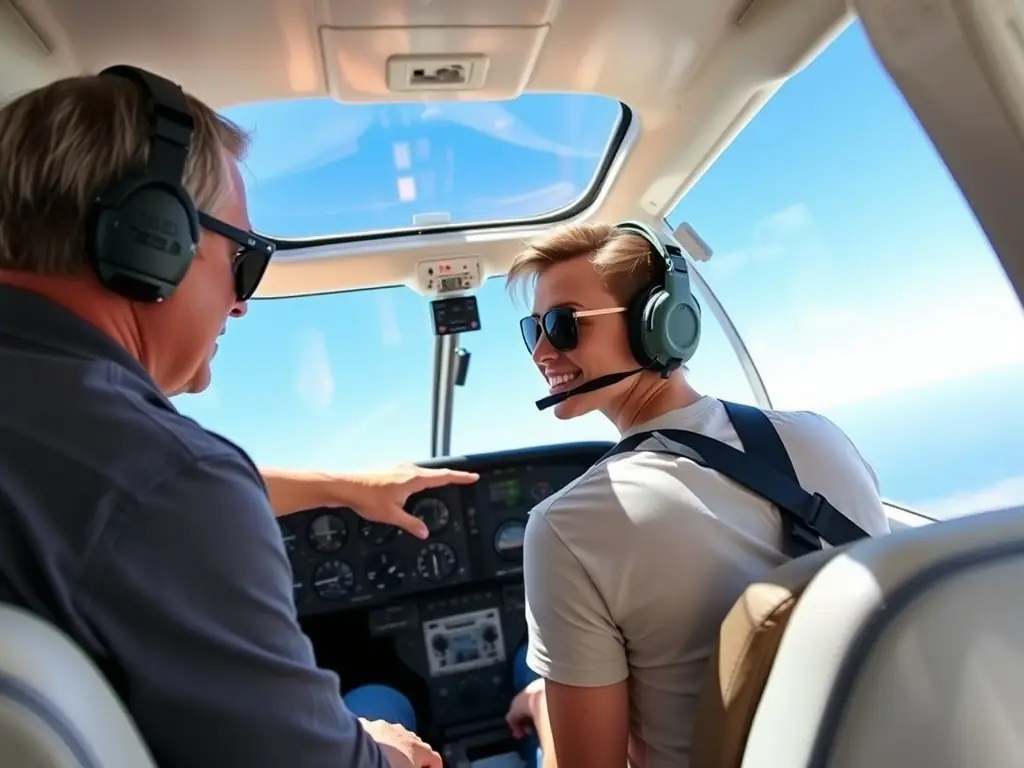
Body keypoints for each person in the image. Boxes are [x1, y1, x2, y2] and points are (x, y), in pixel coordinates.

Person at [0, 66, 469, 768]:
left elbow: (103, 498)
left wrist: (340, 488)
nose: (243, 301)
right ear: (152, 237)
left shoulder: (64, 435)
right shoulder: (169, 481)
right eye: (244, 259)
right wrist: (391, 751)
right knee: (386, 706)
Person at [501, 222, 892, 768]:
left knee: (529, 670)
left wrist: (542, 711)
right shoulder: (820, 434)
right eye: (532, 329)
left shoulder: (565, 528)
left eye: (563, 324)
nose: (541, 351)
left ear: (657, 325)